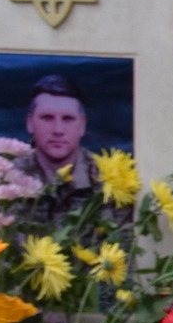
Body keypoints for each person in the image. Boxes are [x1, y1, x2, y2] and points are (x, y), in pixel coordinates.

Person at [11, 74, 106, 227]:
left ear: (82, 125)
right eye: (47, 118)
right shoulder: (5, 179)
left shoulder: (107, 179)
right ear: (30, 123)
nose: (58, 130)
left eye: (67, 119)